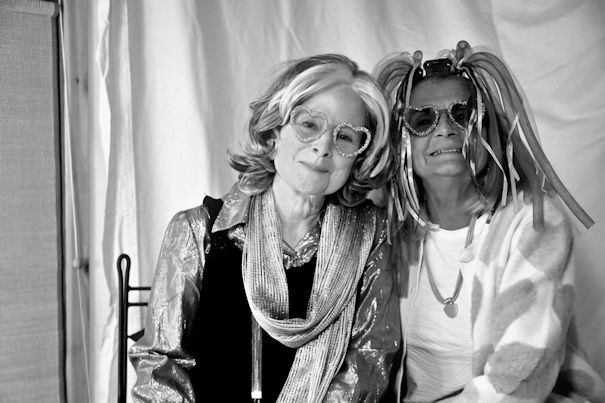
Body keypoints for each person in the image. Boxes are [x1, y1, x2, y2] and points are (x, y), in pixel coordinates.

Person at [129, 54, 401, 402]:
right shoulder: (198, 232)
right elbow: (160, 365)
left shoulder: (370, 236)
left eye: (346, 137)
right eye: (309, 124)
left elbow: (370, 360)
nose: (323, 147)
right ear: (275, 130)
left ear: (360, 156)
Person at [375, 40, 605, 402]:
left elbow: (519, 378)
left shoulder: (533, 224)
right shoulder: (389, 231)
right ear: (401, 140)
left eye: (463, 114)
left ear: (490, 131)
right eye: (422, 120)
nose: (445, 129)